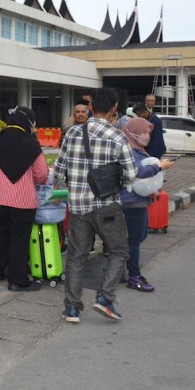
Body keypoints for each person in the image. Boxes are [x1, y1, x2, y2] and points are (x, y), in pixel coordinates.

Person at [53, 87, 137, 323]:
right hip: (107, 205)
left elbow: (58, 171)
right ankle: (105, 298)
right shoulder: (118, 137)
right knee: (119, 251)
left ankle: (72, 308)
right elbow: (131, 175)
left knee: (77, 256)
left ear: (90, 107)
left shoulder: (71, 134)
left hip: (78, 206)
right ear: (114, 109)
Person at [0, 106, 48, 292]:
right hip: (24, 199)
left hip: (2, 197)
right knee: (19, 238)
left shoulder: (1, 138)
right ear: (28, 121)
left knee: (3, 233)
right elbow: (42, 174)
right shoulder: (31, 143)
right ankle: (17, 279)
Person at [120, 117, 175, 292]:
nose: (147, 136)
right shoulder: (130, 150)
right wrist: (160, 166)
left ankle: (122, 272)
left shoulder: (137, 149)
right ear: (132, 132)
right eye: (143, 132)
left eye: (148, 132)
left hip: (138, 200)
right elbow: (138, 172)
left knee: (137, 237)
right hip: (130, 201)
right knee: (134, 240)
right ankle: (134, 276)